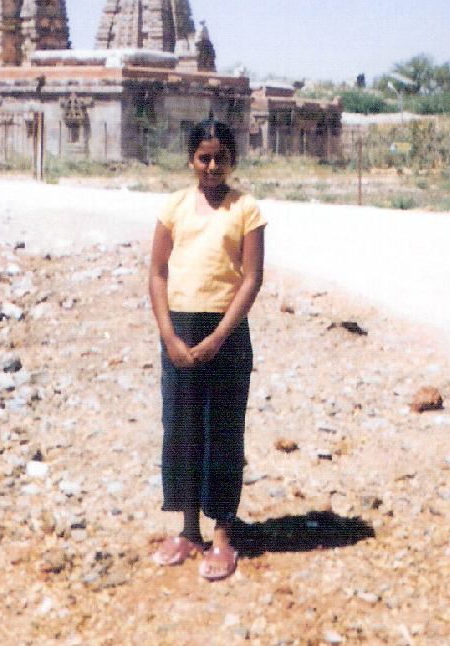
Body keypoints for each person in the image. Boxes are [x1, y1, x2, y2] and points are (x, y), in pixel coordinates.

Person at [147, 119, 266, 582]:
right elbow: (157, 273)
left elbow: (252, 278)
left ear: (232, 159)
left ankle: (222, 534)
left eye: (220, 158)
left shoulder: (246, 209)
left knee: (222, 431)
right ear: (191, 159)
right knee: (181, 428)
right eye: (203, 158)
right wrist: (169, 337)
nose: (212, 167)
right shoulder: (173, 207)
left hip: (227, 333)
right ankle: (188, 529)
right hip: (179, 329)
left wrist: (218, 337)